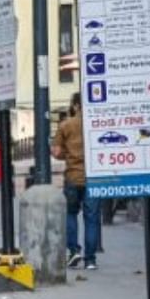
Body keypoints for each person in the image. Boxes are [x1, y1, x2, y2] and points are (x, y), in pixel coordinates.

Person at [52, 92, 95, 269]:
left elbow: (55, 151)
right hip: (93, 177)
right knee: (91, 218)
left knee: (70, 214)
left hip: (72, 176)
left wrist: (68, 155)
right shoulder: (95, 122)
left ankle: (74, 251)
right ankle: (91, 259)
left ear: (76, 105)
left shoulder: (65, 125)